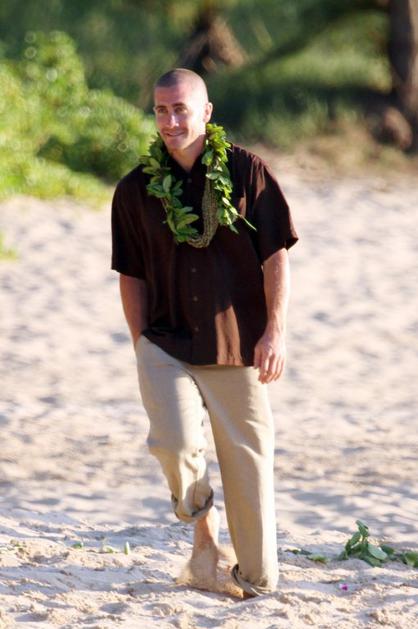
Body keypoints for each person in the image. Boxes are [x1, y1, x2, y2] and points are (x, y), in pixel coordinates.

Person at [111, 68, 298, 598]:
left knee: (250, 479)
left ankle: (246, 571)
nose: (170, 121)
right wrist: (141, 345)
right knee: (174, 443)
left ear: (206, 112)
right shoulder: (135, 189)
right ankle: (204, 536)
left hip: (237, 343)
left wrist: (275, 332)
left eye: (181, 109)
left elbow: (276, 256)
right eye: (161, 110)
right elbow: (130, 274)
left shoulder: (247, 172)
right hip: (164, 341)